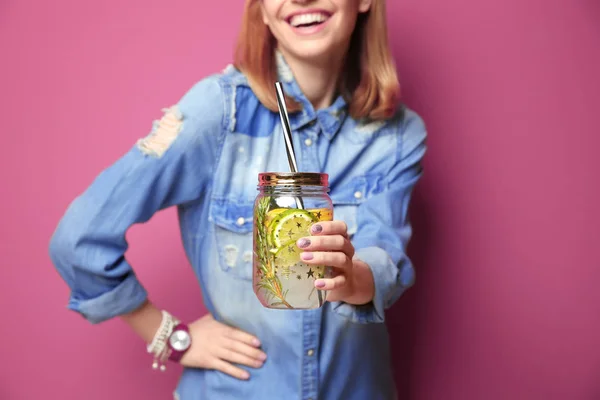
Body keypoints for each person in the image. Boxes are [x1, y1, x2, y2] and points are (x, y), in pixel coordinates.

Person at [48, 0, 427, 399]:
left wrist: (351, 278)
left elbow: (387, 260)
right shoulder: (218, 111)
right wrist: (169, 336)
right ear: (262, 9)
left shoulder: (397, 135)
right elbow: (78, 239)